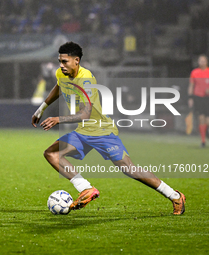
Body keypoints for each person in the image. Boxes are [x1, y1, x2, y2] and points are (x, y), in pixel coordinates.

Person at [31, 41, 186, 215]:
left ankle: (174, 196)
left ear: (76, 60)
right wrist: (41, 108)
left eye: (65, 61)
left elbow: (86, 114)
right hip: (83, 132)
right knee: (51, 153)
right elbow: (59, 86)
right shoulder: (61, 73)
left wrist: (58, 119)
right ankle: (86, 188)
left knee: (130, 169)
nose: (61, 65)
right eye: (60, 61)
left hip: (101, 130)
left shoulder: (86, 79)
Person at [188, 54, 209, 147]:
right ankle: (203, 141)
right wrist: (190, 97)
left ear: (206, 62)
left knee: (207, 120)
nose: (202, 62)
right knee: (201, 118)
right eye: (200, 60)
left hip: (207, 98)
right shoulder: (195, 72)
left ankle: (206, 132)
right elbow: (191, 85)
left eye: (203, 61)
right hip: (198, 97)